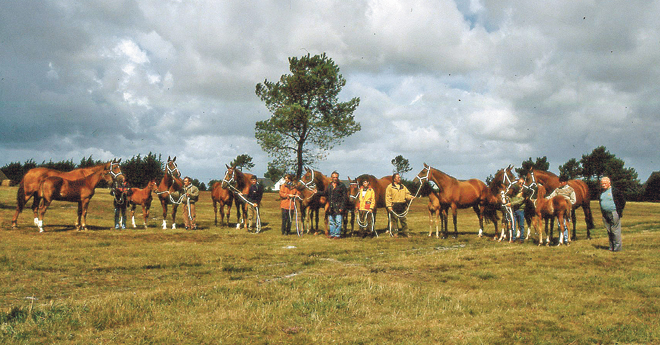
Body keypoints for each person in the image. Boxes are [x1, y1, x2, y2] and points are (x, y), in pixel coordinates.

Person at [315, 171, 348, 239]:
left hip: (339, 206)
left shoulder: (342, 186)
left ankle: (337, 235)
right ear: (331, 177)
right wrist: (317, 192)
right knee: (332, 222)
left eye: (336, 177)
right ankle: (332, 234)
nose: (335, 178)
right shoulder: (329, 186)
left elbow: (345, 197)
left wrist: (342, 207)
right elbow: (325, 193)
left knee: (338, 222)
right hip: (331, 206)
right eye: (333, 177)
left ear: (338, 178)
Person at [546, 175, 576, 242]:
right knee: (560, 224)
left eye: (561, 182)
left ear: (565, 182)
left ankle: (566, 238)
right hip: (559, 210)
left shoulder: (570, 190)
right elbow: (551, 196)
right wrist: (545, 199)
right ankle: (561, 238)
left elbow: (573, 200)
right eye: (560, 182)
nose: (560, 183)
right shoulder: (557, 190)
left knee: (566, 223)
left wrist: (567, 204)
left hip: (566, 209)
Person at [599, 176, 626, 252]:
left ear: (609, 183)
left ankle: (617, 249)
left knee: (615, 231)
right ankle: (611, 247)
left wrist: (619, 211)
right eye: (602, 183)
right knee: (609, 231)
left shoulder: (614, 191)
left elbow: (622, 201)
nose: (603, 185)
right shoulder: (602, 192)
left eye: (605, 183)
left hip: (613, 213)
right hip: (605, 214)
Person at [385, 173, 415, 238]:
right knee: (394, 220)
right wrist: (389, 206)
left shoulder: (403, 186)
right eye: (398, 178)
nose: (399, 179)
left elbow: (407, 194)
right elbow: (388, 197)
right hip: (394, 205)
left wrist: (410, 197)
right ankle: (395, 233)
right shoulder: (390, 187)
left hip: (402, 205)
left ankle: (406, 233)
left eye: (400, 178)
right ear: (394, 179)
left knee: (403, 220)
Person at [506, 178, 526, 243]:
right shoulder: (514, 191)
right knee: (513, 225)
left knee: (521, 225)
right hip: (514, 210)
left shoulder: (524, 192)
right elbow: (512, 198)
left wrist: (511, 204)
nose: (521, 184)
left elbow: (521, 200)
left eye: (522, 183)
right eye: (520, 183)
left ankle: (521, 239)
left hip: (520, 210)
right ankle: (513, 238)